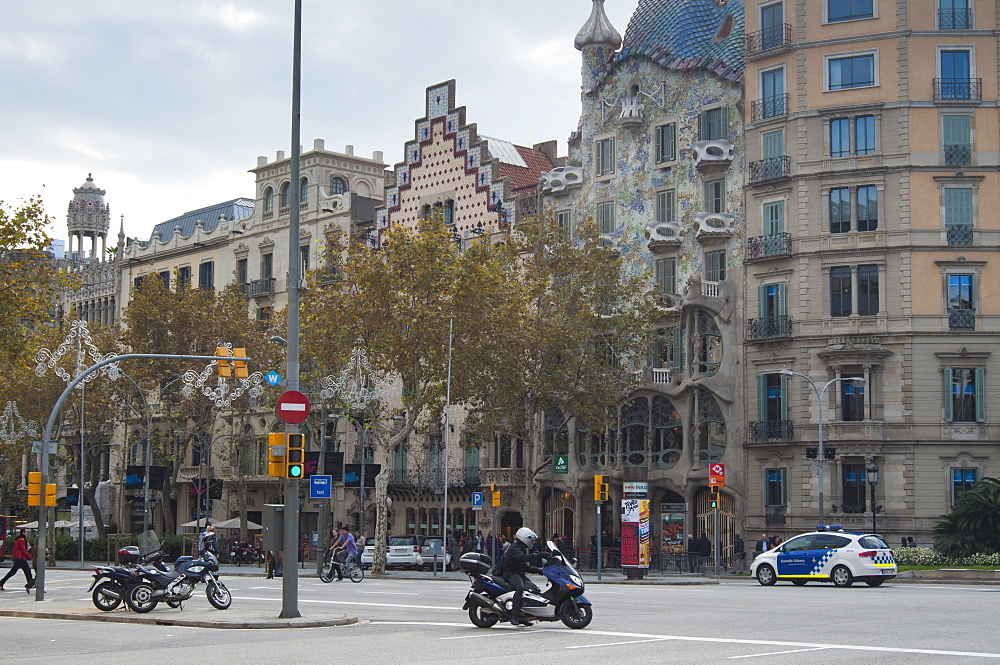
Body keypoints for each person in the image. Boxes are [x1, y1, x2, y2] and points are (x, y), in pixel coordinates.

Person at [498, 527, 549, 626]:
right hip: (510, 573)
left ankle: (524, 615)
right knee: (520, 588)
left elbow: (523, 567)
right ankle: (514, 615)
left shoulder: (520, 547)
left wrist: (540, 571)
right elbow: (523, 558)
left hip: (518, 572)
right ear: (525, 538)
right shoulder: (515, 548)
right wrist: (540, 555)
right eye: (531, 540)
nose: (532, 542)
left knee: (532, 589)